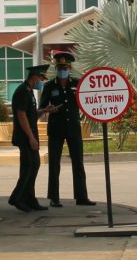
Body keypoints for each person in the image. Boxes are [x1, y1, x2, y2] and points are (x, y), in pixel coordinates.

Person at [39, 50, 95, 207]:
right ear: (56, 69)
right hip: (56, 129)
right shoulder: (49, 86)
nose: (62, 71)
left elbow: (88, 99)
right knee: (54, 164)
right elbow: (42, 107)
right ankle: (54, 198)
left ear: (70, 68)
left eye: (65, 68)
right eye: (60, 68)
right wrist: (47, 109)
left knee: (78, 162)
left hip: (73, 128)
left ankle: (81, 197)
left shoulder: (77, 84)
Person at [8, 64, 49, 213]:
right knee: (29, 166)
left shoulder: (30, 92)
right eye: (41, 78)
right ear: (34, 77)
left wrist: (43, 111)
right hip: (25, 137)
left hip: (30, 135)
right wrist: (31, 138)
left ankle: (30, 199)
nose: (42, 81)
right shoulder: (22, 91)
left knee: (33, 165)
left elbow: (30, 114)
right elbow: (21, 115)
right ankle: (17, 198)